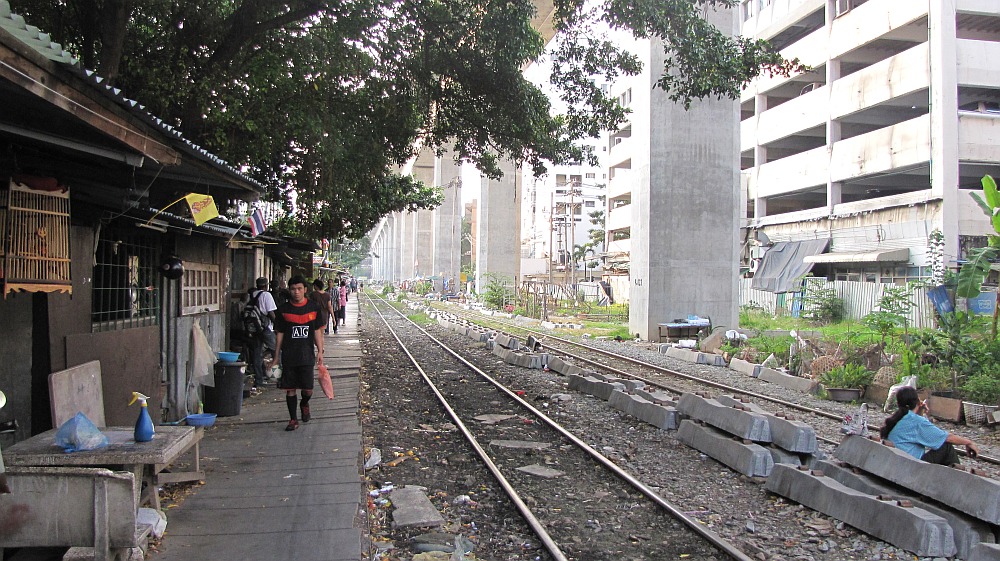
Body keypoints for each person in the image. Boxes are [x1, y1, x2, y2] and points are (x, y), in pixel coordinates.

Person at [266, 275, 325, 431]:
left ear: (305, 290)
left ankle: (304, 403)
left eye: (299, 289)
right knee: (290, 389)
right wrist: (276, 357)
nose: (296, 292)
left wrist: (320, 351)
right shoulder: (283, 310)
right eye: (293, 289)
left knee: (308, 389)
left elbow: (317, 331)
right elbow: (280, 334)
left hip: (307, 355)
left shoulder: (313, 307)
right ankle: (293, 419)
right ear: (289, 290)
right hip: (289, 355)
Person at [880, 386, 980, 465]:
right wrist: (968, 442)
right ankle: (959, 481)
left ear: (898, 403)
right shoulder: (916, 421)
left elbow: (916, 432)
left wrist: (920, 410)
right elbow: (947, 438)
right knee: (946, 447)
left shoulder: (897, 418)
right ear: (917, 400)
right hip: (909, 467)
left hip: (895, 463)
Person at [245, 277, 277, 389]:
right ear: (266, 285)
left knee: (257, 353)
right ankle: (279, 376)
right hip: (265, 328)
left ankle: (259, 380)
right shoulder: (266, 295)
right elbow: (271, 313)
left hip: (254, 329)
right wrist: (278, 326)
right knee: (277, 350)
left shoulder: (251, 294)